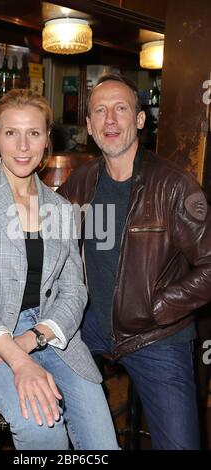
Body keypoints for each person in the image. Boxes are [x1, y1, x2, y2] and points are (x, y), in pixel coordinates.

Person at [0, 89, 119, 451]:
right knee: (43, 428)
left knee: (102, 442)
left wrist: (34, 337)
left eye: (33, 133)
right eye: (11, 133)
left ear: (46, 140)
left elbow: (74, 290)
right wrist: (18, 358)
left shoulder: (60, 207)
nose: (22, 145)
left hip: (51, 332)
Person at [58, 73, 211, 450]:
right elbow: (41, 232)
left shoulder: (175, 186)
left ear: (140, 120)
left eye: (121, 108)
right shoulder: (82, 181)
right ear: (91, 127)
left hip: (157, 335)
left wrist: (159, 306)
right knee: (33, 375)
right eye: (100, 111)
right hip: (93, 324)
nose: (110, 119)